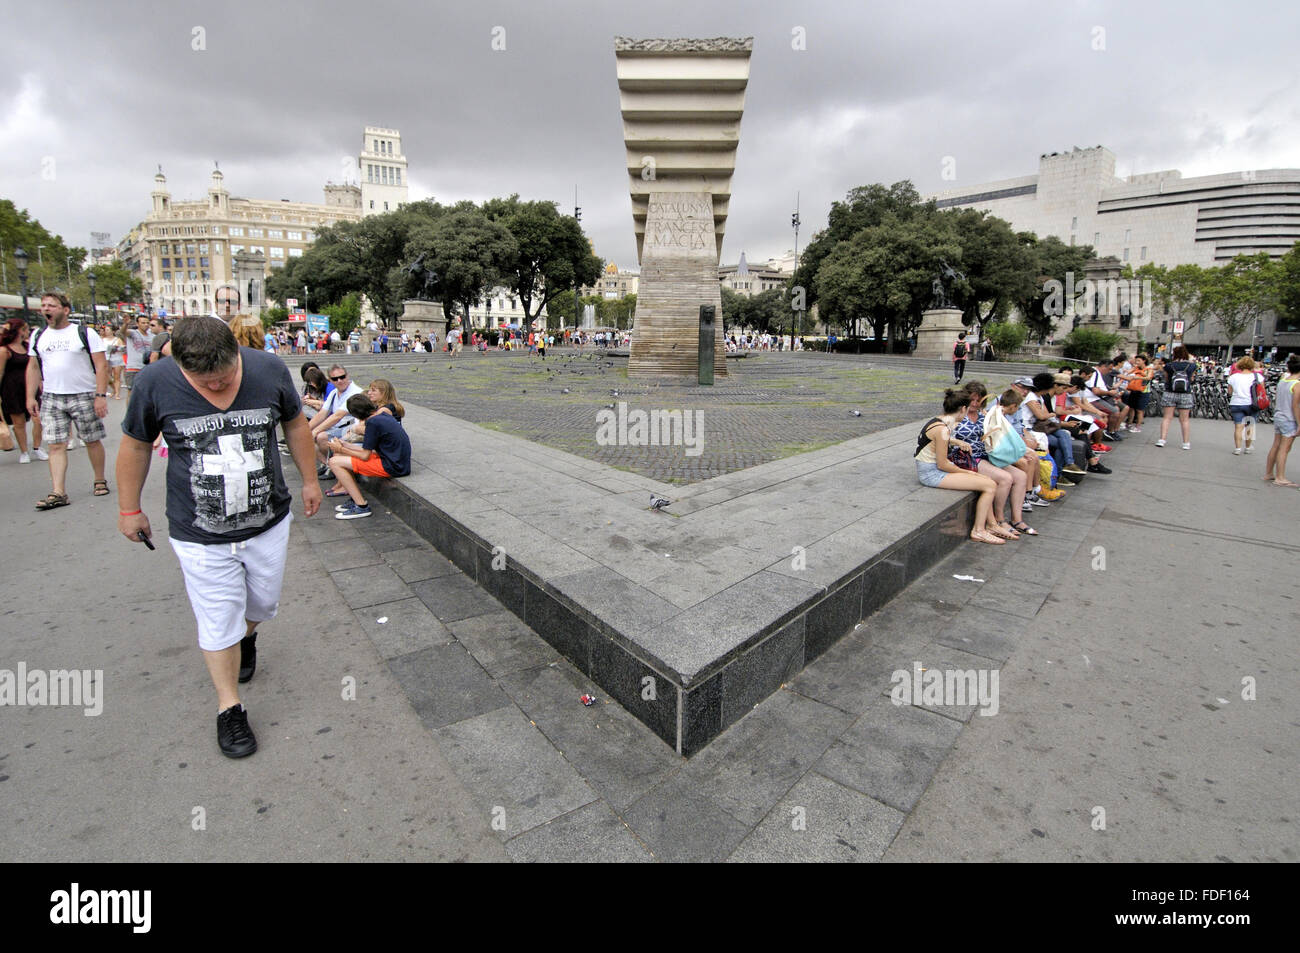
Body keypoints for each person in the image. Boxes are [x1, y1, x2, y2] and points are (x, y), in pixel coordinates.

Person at [116, 316, 321, 758]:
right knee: (217, 616)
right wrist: (129, 509)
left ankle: (247, 636)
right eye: (204, 384)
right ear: (180, 364)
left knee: (262, 603)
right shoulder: (154, 382)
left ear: (236, 354)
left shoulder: (268, 369)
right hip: (198, 531)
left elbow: (296, 426)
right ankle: (230, 707)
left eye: (224, 379)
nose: (215, 390)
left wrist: (310, 480)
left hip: (267, 522)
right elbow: (134, 445)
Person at [26, 292, 111, 508]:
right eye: (44, 306)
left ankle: (99, 479)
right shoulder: (38, 335)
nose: (46, 309)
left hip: (83, 393)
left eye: (52, 305)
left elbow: (101, 365)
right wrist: (30, 396)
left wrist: (100, 396)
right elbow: (34, 367)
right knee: (56, 444)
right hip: (52, 396)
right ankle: (58, 491)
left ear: (65, 310)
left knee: (91, 439)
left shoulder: (84, 333)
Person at [915, 389, 1003, 545]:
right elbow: (943, 464)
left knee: (985, 481)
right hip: (932, 474)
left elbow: (935, 439)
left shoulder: (939, 421)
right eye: (967, 409)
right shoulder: (942, 428)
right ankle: (979, 530)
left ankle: (992, 525)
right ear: (963, 409)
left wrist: (957, 442)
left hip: (932, 469)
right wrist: (969, 473)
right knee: (989, 485)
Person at [325, 394, 412, 520]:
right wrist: (345, 445)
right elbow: (368, 450)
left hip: (393, 466)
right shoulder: (381, 417)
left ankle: (361, 506)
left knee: (334, 462)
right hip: (395, 461)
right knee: (341, 455)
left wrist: (341, 449)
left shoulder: (372, 423)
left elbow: (364, 456)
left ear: (355, 415)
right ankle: (354, 498)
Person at [1, 317, 47, 462]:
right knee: (19, 422)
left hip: (30, 387)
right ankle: (24, 452)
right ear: (19, 331)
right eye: (26, 329)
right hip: (12, 389)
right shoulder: (4, 350)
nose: (28, 332)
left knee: (38, 419)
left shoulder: (28, 347)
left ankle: (37, 447)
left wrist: (40, 383)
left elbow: (36, 367)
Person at [307, 364, 363, 474]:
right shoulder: (334, 393)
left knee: (321, 436)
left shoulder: (355, 392)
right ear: (330, 380)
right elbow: (322, 413)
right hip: (341, 426)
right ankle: (328, 464)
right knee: (307, 437)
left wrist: (315, 431)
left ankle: (332, 466)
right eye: (335, 379)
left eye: (342, 377)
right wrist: (307, 430)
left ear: (347, 375)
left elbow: (337, 416)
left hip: (353, 428)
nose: (339, 381)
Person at [1263, 354, 1300, 487]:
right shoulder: (1297, 385)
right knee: (1284, 449)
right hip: (1289, 419)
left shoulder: (1283, 381)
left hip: (1279, 415)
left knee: (1276, 445)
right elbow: (1295, 406)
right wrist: (1299, 423)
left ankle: (1269, 473)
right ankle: (1280, 477)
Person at [1156, 345, 1197, 449]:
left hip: (1170, 392)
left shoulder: (1169, 365)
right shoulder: (1191, 366)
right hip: (1185, 394)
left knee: (1167, 418)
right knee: (1184, 420)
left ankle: (1162, 440)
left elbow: (1166, 378)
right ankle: (1186, 443)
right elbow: (1191, 379)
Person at [1227, 356, 1260, 455]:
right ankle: (1248, 447)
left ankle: (1238, 448)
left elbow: (1229, 392)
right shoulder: (1257, 377)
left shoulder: (1233, 377)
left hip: (1237, 403)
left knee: (1238, 426)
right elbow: (1261, 391)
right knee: (1250, 426)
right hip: (1251, 404)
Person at [122, 313, 153, 393]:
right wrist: (126, 324)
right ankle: (130, 406)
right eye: (143, 323)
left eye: (147, 323)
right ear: (137, 324)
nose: (146, 325)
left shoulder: (152, 335)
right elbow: (123, 332)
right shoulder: (133, 333)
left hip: (147, 368)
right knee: (132, 392)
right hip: (133, 368)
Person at [103, 325, 126, 398]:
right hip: (106, 359)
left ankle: (117, 394)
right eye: (105, 330)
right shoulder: (102, 340)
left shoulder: (118, 340)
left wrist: (116, 349)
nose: (106, 331)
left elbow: (123, 349)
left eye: (108, 330)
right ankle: (114, 389)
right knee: (107, 377)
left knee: (117, 377)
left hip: (117, 359)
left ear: (112, 331)